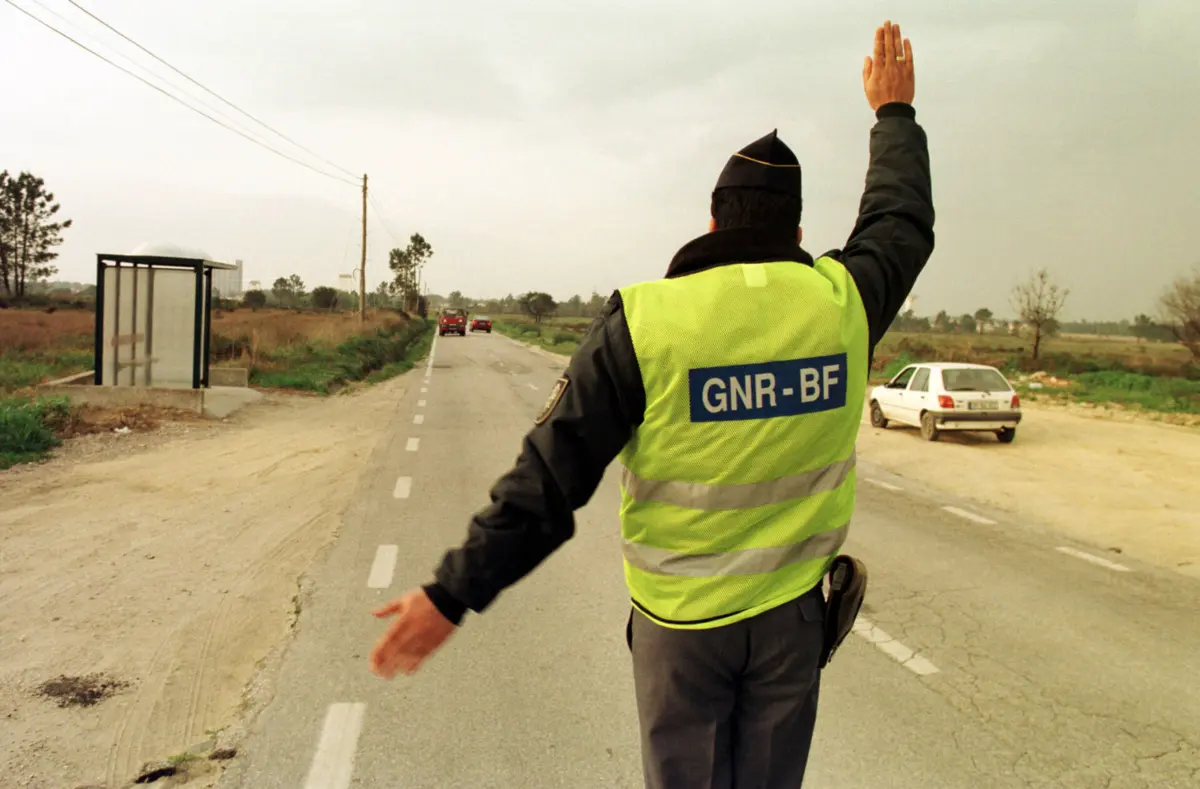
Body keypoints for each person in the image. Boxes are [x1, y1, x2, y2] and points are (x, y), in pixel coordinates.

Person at [370, 19, 934, 789]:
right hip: (791, 624)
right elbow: (898, 223)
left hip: (680, 632)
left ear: (711, 220)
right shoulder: (842, 303)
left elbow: (549, 478)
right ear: (798, 231)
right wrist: (892, 115)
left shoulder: (645, 321)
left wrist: (452, 592)